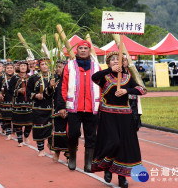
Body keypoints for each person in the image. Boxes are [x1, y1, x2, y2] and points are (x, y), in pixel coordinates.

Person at [91, 51, 146, 188]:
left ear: (123, 63)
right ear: (109, 63)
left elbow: (141, 89)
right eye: (113, 59)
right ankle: (107, 168)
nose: (116, 61)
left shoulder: (127, 77)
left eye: (118, 60)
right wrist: (110, 70)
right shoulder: (104, 77)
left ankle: (122, 177)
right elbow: (94, 77)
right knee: (113, 142)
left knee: (124, 146)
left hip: (125, 116)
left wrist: (127, 91)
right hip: (107, 114)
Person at [57, 40, 100, 172]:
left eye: (85, 48)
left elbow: (103, 86)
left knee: (91, 135)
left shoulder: (97, 66)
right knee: (73, 133)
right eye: (80, 48)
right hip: (73, 107)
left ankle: (88, 163)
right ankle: (72, 157)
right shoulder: (69, 65)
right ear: (77, 51)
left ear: (89, 51)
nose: (82, 50)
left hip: (92, 107)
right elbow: (63, 86)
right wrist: (61, 106)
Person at [27, 58, 54, 157]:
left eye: (46, 64)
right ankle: (41, 149)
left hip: (51, 107)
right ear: (39, 66)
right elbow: (28, 91)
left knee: (51, 128)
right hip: (38, 107)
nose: (44, 66)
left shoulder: (53, 77)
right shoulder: (34, 78)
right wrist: (35, 95)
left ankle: (51, 146)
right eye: (42, 64)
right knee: (39, 128)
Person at [9, 60, 33, 147]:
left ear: (27, 68)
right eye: (21, 66)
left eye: (25, 66)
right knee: (17, 123)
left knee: (29, 123)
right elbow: (10, 90)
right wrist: (18, 91)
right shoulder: (14, 78)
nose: (23, 67)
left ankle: (26, 136)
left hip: (29, 103)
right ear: (18, 68)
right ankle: (20, 140)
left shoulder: (31, 78)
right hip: (17, 103)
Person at [50, 60, 69, 162]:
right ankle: (57, 152)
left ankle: (69, 155)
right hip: (57, 109)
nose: (58, 69)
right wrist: (50, 87)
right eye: (57, 67)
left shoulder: (70, 80)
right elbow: (48, 95)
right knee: (58, 132)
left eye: (60, 67)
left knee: (69, 132)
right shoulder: (55, 80)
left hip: (69, 109)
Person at [0, 62, 15, 140]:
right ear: (5, 69)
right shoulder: (1, 78)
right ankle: (8, 133)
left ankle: (15, 131)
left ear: (14, 69)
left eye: (11, 68)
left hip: (15, 101)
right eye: (8, 68)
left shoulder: (17, 78)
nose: (9, 69)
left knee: (16, 118)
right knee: (7, 118)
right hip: (6, 101)